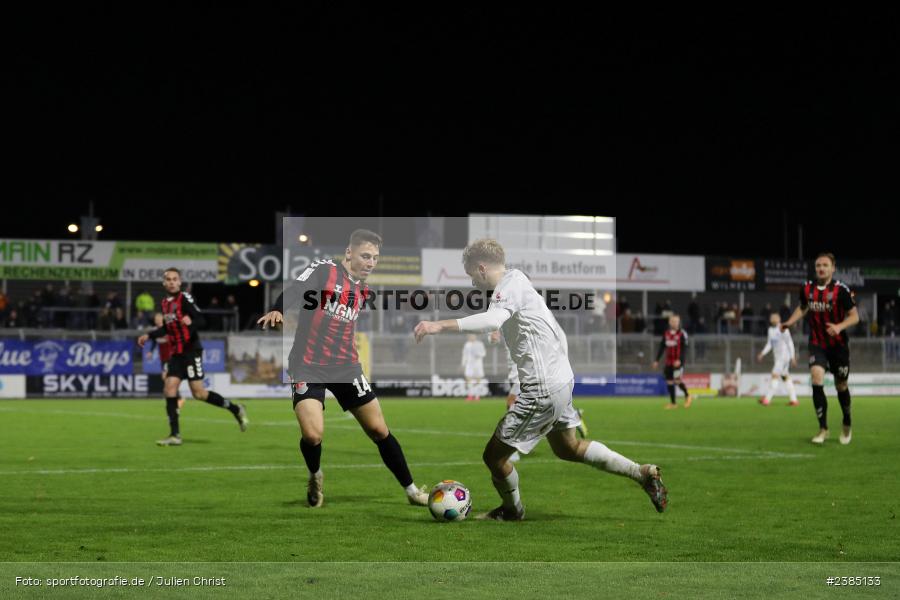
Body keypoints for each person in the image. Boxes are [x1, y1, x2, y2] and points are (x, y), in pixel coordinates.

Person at [414, 238, 666, 521]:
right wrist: (562, 374)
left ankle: (513, 510)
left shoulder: (508, 287)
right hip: (561, 382)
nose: (472, 282)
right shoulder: (520, 281)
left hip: (543, 389)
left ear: (482, 268)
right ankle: (641, 473)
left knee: (493, 458)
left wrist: (439, 324)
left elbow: (492, 320)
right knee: (568, 448)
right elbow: (559, 334)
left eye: (472, 274)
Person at [257, 229, 429, 509]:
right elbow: (297, 289)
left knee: (379, 430)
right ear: (349, 253)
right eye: (365, 256)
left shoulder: (363, 289)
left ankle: (411, 490)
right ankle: (315, 475)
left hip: (346, 368)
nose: (371, 262)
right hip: (307, 365)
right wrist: (278, 308)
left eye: (375, 258)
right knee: (313, 435)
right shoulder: (325, 270)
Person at [137, 268, 248, 446]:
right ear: (164, 283)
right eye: (168, 279)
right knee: (169, 388)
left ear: (180, 282)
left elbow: (202, 320)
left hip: (190, 351)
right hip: (176, 353)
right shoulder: (165, 303)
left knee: (199, 393)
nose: (172, 282)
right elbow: (167, 328)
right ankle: (175, 435)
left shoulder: (185, 299)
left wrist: (191, 323)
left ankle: (235, 409)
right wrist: (149, 335)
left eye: (175, 279)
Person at [781, 252, 859, 445]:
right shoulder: (807, 288)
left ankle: (847, 420)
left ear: (833, 268)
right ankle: (823, 428)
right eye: (818, 266)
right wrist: (789, 322)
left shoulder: (842, 290)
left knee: (841, 385)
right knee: (816, 378)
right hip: (817, 343)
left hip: (839, 346)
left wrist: (839, 327)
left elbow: (854, 316)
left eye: (825, 265)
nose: (821, 269)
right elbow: (803, 307)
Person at [756, 312, 798, 406]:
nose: (773, 318)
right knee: (785, 377)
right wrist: (762, 354)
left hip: (783, 357)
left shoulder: (783, 328)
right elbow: (769, 344)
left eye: (775, 317)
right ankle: (794, 400)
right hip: (778, 357)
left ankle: (767, 399)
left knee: (774, 375)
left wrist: (793, 357)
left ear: (779, 319)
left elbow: (790, 343)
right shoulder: (770, 330)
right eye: (772, 317)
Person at [652, 315, 693, 409]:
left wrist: (680, 360)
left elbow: (684, 349)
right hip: (669, 362)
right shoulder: (666, 333)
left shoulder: (682, 333)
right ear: (670, 322)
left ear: (679, 322)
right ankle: (673, 403)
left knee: (677, 381)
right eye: (672, 321)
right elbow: (662, 347)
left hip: (678, 362)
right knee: (669, 381)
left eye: (676, 321)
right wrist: (656, 360)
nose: (674, 323)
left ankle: (687, 395)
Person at [146, 312, 185, 411]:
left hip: (171, 357)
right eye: (156, 320)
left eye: (159, 319)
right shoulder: (156, 331)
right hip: (163, 359)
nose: (157, 321)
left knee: (165, 377)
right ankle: (176, 398)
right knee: (167, 379)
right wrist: (150, 351)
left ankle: (178, 398)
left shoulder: (168, 329)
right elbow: (154, 341)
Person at [461, 334, 486, 401]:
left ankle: (477, 396)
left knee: (477, 381)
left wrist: (478, 354)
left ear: (475, 336)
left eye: (472, 336)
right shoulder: (467, 344)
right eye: (470, 336)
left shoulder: (480, 344)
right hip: (469, 365)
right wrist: (463, 364)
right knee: (468, 379)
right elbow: (465, 354)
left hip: (477, 365)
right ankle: (470, 395)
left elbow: (483, 353)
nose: (471, 337)